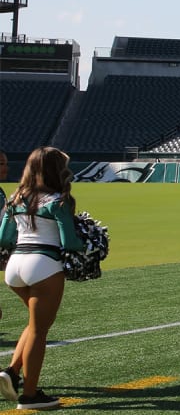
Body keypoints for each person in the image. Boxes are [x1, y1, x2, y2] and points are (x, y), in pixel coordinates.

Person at [0, 147, 85, 410]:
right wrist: (88, 242)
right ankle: (30, 395)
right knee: (40, 330)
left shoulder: (15, 198)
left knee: (35, 323)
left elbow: (3, 238)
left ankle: (11, 372)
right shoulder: (59, 200)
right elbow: (69, 243)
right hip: (44, 265)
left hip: (14, 268)